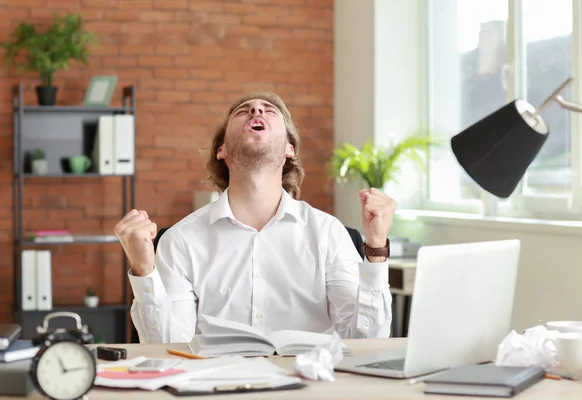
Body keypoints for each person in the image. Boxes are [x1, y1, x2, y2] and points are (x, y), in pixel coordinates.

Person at [114, 92, 397, 344]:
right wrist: (144, 271)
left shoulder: (328, 233)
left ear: (290, 149)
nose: (257, 111)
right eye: (243, 111)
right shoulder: (181, 240)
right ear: (221, 150)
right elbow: (169, 348)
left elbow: (365, 341)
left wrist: (375, 249)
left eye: (269, 110)